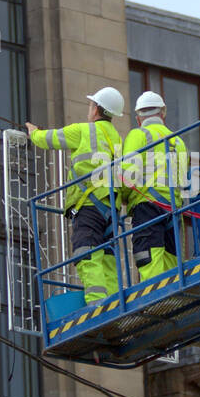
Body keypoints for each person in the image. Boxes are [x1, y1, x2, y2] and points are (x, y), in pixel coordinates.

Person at [26, 87, 125, 305]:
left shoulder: (83, 131)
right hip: (111, 209)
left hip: (88, 205)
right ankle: (115, 303)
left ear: (96, 109)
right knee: (108, 256)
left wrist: (33, 132)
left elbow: (48, 139)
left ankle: (98, 303)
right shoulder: (118, 140)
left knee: (86, 252)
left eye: (91, 106)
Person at [120, 90, 189, 281]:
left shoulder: (138, 135)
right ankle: (173, 300)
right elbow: (183, 179)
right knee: (171, 262)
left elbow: (128, 174)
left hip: (147, 207)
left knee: (149, 259)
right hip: (173, 209)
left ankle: (156, 301)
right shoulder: (178, 141)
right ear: (163, 113)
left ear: (138, 118)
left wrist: (124, 197)